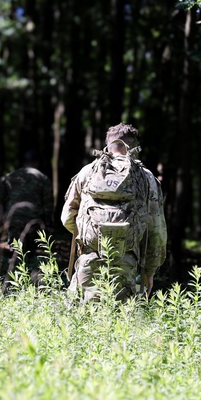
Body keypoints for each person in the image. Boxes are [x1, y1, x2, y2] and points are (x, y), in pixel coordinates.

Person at [61, 124, 167, 301]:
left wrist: (93, 236)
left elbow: (67, 217)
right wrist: (149, 271)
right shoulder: (146, 177)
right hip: (129, 263)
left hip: (90, 260)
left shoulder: (87, 172)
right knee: (122, 321)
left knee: (83, 319)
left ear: (107, 145)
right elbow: (157, 231)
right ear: (133, 147)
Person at [0, 153, 53, 279]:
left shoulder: (10, 177)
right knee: (33, 253)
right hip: (34, 220)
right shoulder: (42, 178)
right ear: (36, 163)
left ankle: (12, 281)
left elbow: (1, 200)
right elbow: (48, 204)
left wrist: (4, 220)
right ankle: (32, 281)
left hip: (14, 219)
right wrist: (48, 224)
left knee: (15, 252)